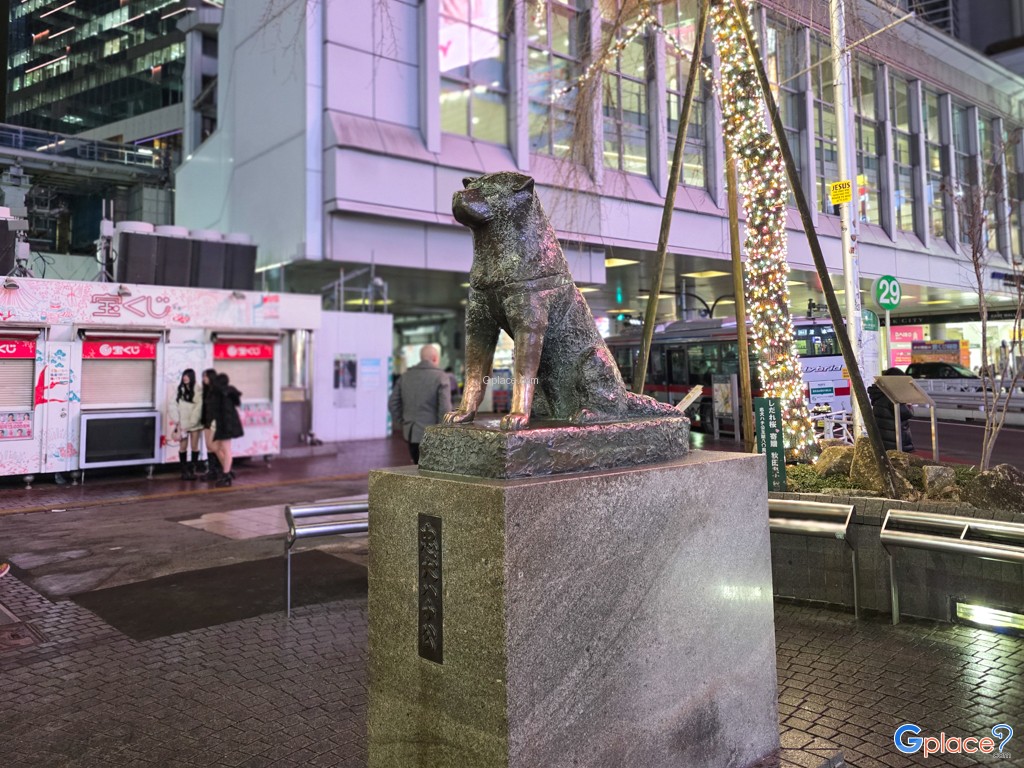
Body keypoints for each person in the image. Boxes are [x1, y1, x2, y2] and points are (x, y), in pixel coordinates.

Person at [389, 344, 452, 464]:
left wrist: (404, 421)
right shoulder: (441, 377)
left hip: (410, 433)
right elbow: (445, 409)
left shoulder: (406, 376)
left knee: (416, 467)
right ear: (435, 358)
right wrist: (443, 431)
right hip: (432, 435)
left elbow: (392, 404)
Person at [868, 367, 914, 452]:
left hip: (885, 441)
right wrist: (908, 405)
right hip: (897, 442)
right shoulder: (892, 398)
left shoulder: (880, 395)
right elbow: (906, 414)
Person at [170, 368, 203, 480]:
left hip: (195, 424)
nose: (185, 377)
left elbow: (199, 407)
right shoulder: (179, 389)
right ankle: (184, 471)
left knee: (194, 447)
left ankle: (192, 471)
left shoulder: (198, 390)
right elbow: (172, 405)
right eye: (184, 375)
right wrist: (177, 420)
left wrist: (193, 421)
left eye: (187, 375)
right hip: (183, 424)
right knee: (182, 447)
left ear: (192, 377)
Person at [212, 372, 244, 487]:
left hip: (226, 426)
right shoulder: (228, 392)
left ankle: (226, 476)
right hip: (226, 426)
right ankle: (227, 471)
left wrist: (226, 429)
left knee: (226, 450)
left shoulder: (223, 394)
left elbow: (226, 413)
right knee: (217, 447)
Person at [199, 368, 222, 480]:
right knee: (209, 446)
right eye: (203, 377)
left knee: (214, 446)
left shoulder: (217, 391)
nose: (204, 379)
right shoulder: (206, 390)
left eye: (206, 377)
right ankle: (212, 472)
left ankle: (224, 469)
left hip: (215, 422)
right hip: (206, 421)